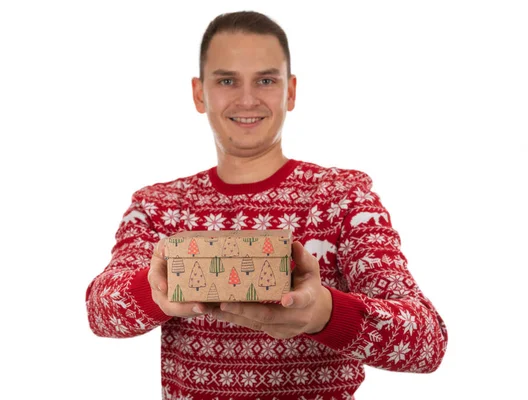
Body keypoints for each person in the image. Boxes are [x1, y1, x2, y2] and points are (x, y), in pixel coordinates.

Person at [85, 10, 448, 400]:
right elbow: (101, 312)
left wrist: (324, 312)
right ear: (198, 93)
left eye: (266, 80)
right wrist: (153, 290)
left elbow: (426, 342)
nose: (247, 99)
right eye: (227, 80)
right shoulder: (159, 207)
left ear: (290, 92)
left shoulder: (343, 196)